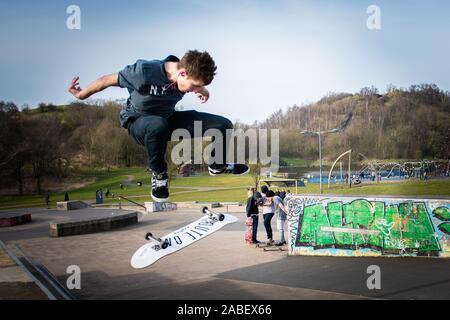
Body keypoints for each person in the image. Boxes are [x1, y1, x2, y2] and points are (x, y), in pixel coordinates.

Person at [68, 50, 249, 203]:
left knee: (224, 125)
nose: (192, 91)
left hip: (168, 121)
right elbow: (105, 80)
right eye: (193, 86)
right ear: (183, 73)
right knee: (157, 124)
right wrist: (81, 95)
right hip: (138, 124)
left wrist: (203, 90)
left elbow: (196, 85)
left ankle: (217, 165)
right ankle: (159, 174)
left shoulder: (186, 75)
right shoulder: (143, 72)